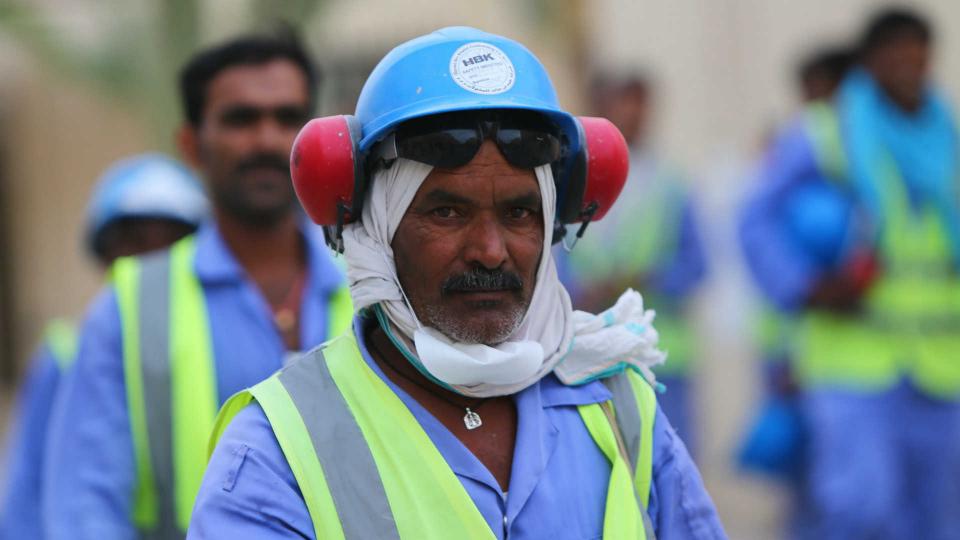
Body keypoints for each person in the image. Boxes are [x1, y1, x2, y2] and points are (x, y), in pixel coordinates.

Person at [189, 26, 725, 539]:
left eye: (519, 212)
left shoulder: (620, 408)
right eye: (446, 212)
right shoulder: (277, 450)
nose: (490, 251)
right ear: (376, 229)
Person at [43, 32, 352, 539]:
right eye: (241, 119)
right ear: (190, 144)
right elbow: (86, 512)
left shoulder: (375, 287)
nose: (268, 140)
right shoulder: (131, 308)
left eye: (287, 117)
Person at [738, 8, 960, 539]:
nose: (908, 65)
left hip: (940, 366)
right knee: (860, 512)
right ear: (870, 63)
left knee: (938, 521)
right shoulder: (826, 131)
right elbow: (756, 219)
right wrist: (804, 286)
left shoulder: (945, 134)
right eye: (895, 53)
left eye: (918, 52)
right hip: (852, 361)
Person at [0, 154, 208, 540]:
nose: (151, 264)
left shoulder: (210, 345)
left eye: (171, 245)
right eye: (133, 245)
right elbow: (26, 499)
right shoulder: (63, 356)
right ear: (104, 255)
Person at [556, 73, 708, 453]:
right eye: (623, 102)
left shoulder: (671, 184)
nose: (633, 113)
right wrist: (580, 292)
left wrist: (651, 279)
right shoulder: (572, 182)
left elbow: (698, 264)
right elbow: (554, 261)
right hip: (589, 353)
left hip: (660, 354)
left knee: (667, 465)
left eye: (640, 103)